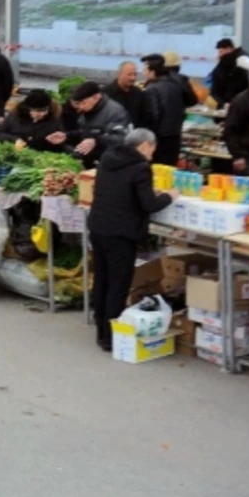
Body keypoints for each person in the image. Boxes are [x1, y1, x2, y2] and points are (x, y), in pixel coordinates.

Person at [87, 129, 177, 351]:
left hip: (99, 227)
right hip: (121, 232)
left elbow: (121, 190)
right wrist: (169, 196)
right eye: (152, 149)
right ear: (145, 145)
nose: (152, 155)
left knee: (102, 280)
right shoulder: (140, 167)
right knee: (118, 284)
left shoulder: (108, 159)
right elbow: (149, 205)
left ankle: (101, 330)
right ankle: (111, 337)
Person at [66, 80, 132, 167]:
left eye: (83, 103)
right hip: (89, 162)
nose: (80, 107)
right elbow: (86, 133)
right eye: (78, 104)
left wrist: (96, 141)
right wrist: (67, 136)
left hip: (110, 164)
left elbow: (120, 139)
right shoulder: (86, 112)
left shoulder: (116, 112)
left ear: (96, 97)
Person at [141, 55, 185, 166]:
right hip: (175, 136)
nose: (143, 72)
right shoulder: (175, 86)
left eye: (145, 69)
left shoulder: (151, 88)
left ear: (152, 71)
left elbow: (153, 115)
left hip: (160, 139)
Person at [0, 89, 68, 152]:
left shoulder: (54, 118)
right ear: (28, 109)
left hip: (42, 156)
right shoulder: (15, 115)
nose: (42, 114)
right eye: (38, 111)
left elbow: (61, 139)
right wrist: (15, 139)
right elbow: (0, 133)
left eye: (45, 110)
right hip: (16, 153)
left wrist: (57, 141)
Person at [102, 61, 147, 129]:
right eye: (129, 74)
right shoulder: (106, 92)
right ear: (119, 74)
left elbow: (143, 118)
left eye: (135, 74)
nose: (133, 78)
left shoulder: (138, 94)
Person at [210, 38, 249, 108]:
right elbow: (215, 91)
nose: (219, 55)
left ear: (229, 49)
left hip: (240, 105)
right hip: (231, 105)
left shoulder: (242, 63)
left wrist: (224, 104)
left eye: (221, 52)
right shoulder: (220, 67)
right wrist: (223, 104)